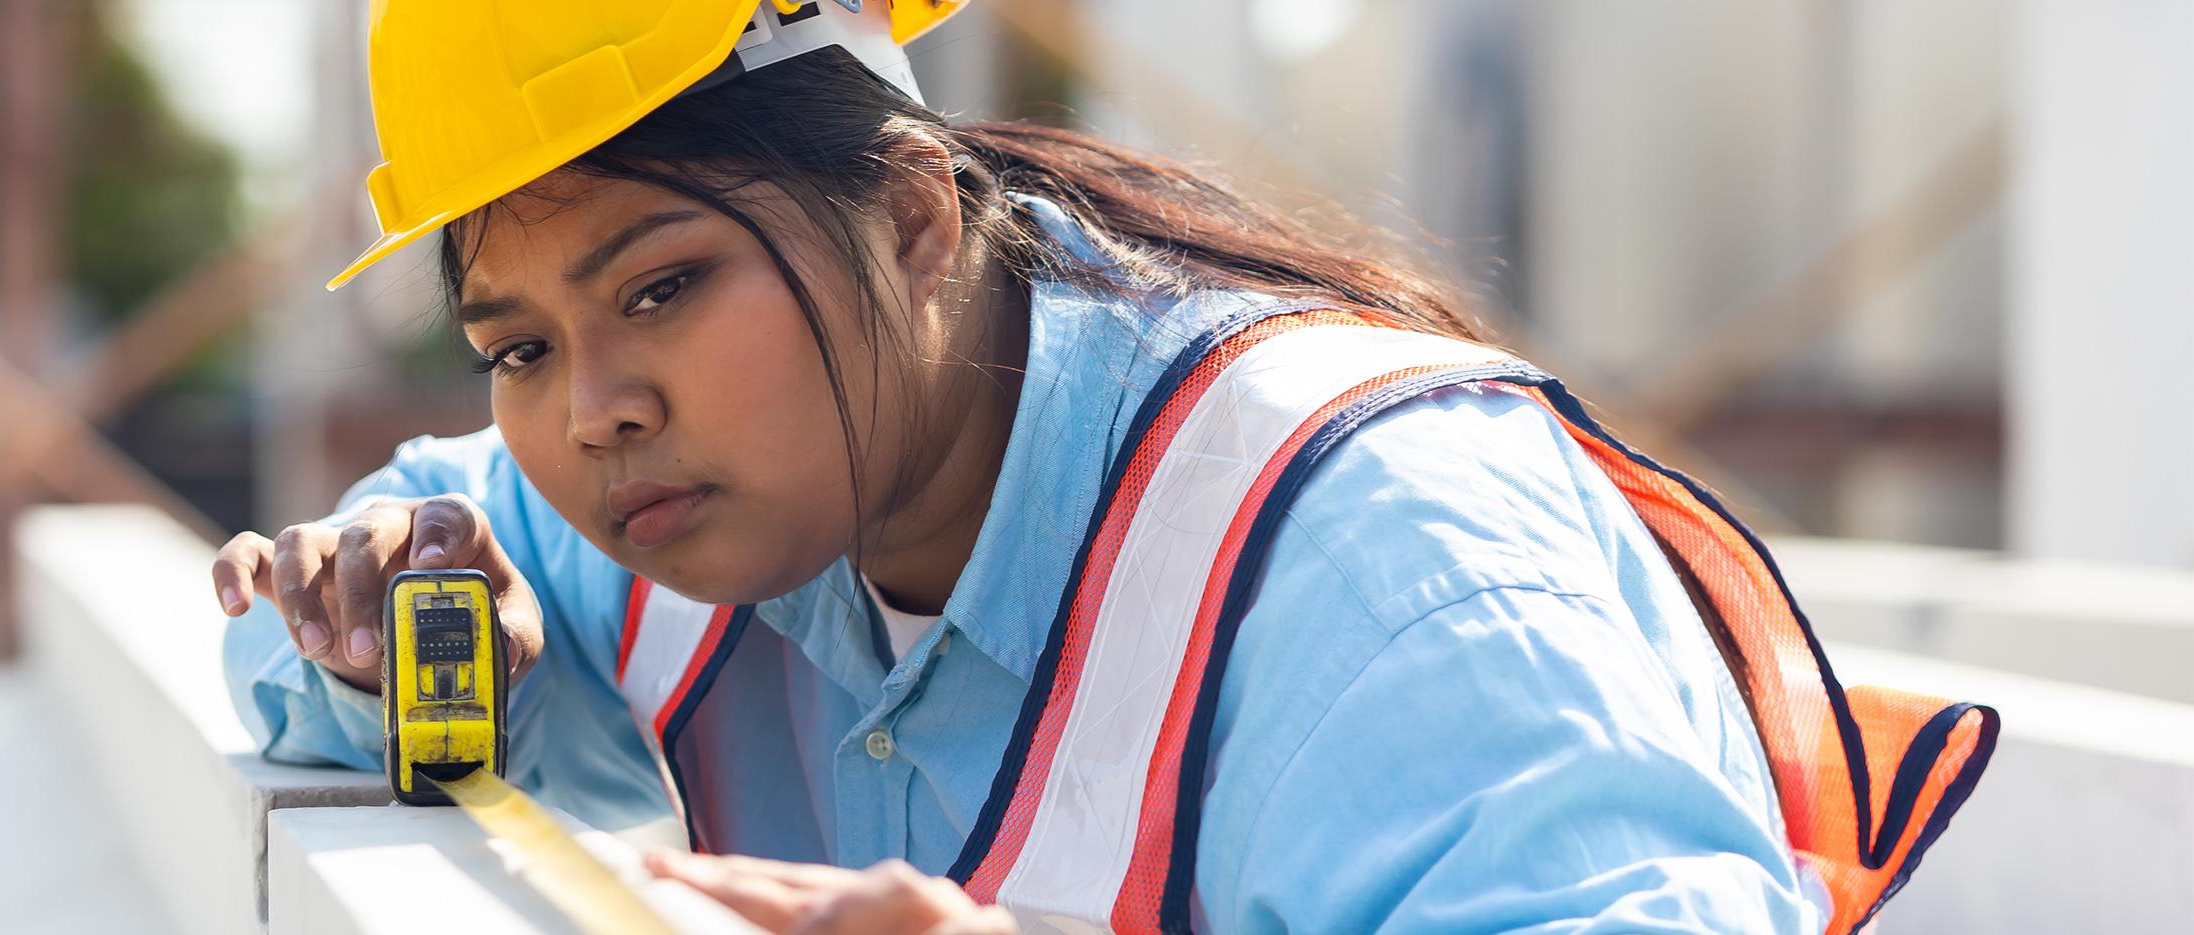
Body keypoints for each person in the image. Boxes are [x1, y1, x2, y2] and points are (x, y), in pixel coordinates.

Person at [212, 3, 1994, 933]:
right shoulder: (689, 491)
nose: (587, 410)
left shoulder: (1377, 555)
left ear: (913, 220)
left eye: (661, 288)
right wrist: (378, 624)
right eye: (517, 346)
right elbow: (346, 597)